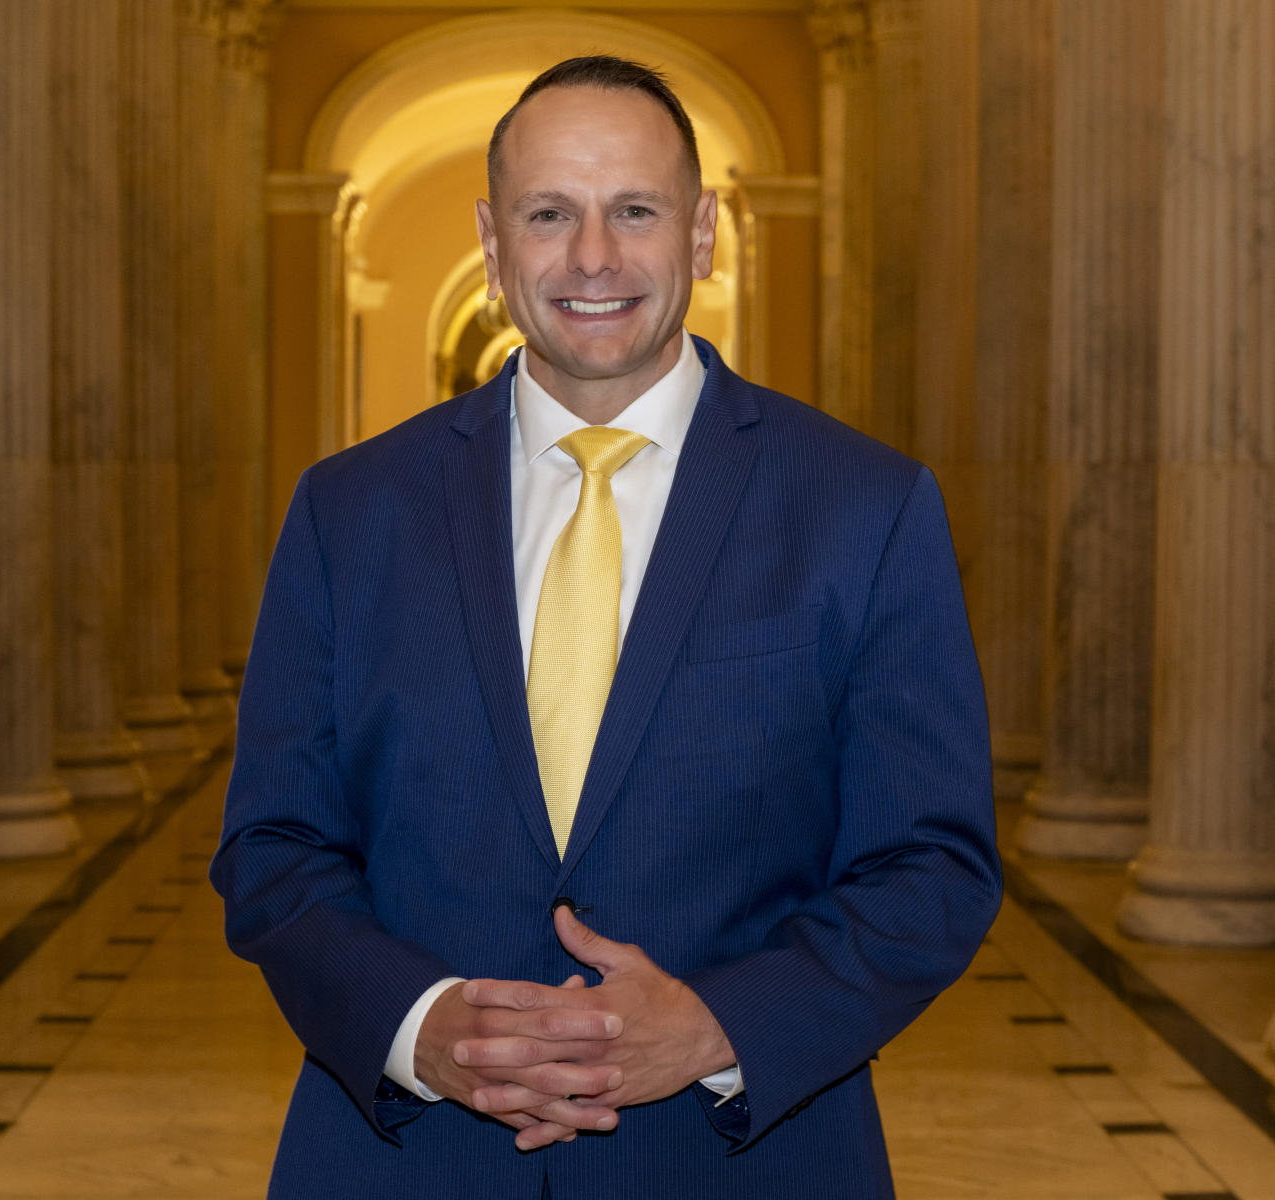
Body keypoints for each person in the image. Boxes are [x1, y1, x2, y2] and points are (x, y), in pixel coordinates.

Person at [212, 54, 1001, 1200]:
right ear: (492, 243)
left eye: (635, 210)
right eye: (549, 214)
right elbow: (274, 844)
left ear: (703, 233)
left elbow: (932, 865)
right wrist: (418, 1027)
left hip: (740, 1162)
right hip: (408, 1161)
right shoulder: (350, 511)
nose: (593, 257)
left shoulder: (863, 507)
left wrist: (718, 1027)